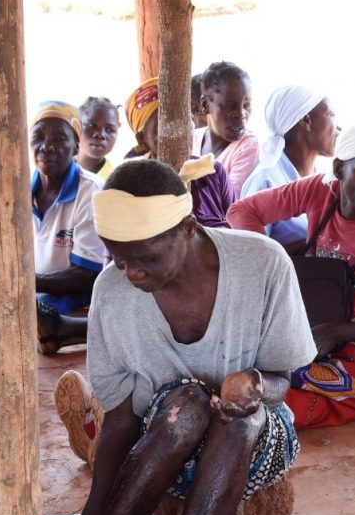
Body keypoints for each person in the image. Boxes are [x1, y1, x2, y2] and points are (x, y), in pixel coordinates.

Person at [58, 161, 314, 515]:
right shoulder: (112, 292)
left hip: (256, 446)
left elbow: (282, 381)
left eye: (147, 259)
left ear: (189, 228)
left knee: (239, 420)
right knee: (185, 406)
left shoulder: (262, 264)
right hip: (164, 441)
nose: (131, 273)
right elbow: (121, 424)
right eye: (118, 258)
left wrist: (253, 385)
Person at [227, 124, 355, 429]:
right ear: (339, 169)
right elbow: (243, 210)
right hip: (308, 322)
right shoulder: (319, 190)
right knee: (237, 364)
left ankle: (256, 416)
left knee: (284, 393)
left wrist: (339, 331)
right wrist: (269, 264)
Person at [28, 101, 108, 356]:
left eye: (60, 138)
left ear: (76, 146)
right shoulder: (16, 190)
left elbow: (87, 275)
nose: (47, 147)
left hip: (77, 303)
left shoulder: (91, 191)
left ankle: (61, 330)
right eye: (38, 136)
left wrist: (25, 284)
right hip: (36, 298)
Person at [236, 85, 338, 246]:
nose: (339, 127)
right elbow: (250, 254)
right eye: (330, 114)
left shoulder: (326, 179)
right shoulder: (265, 180)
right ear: (306, 120)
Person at [125, 78, 232, 229]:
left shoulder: (213, 172)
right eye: (164, 125)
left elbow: (237, 234)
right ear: (142, 139)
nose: (180, 131)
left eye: (185, 119)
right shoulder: (129, 185)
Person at [194, 61, 260, 194]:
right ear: (206, 105)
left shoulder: (247, 146)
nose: (241, 114)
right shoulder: (192, 139)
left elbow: (228, 203)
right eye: (230, 105)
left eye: (246, 105)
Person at [78, 96, 119, 181]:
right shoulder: (58, 169)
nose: (100, 134)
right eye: (92, 125)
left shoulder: (114, 182)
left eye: (109, 130)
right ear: (77, 125)